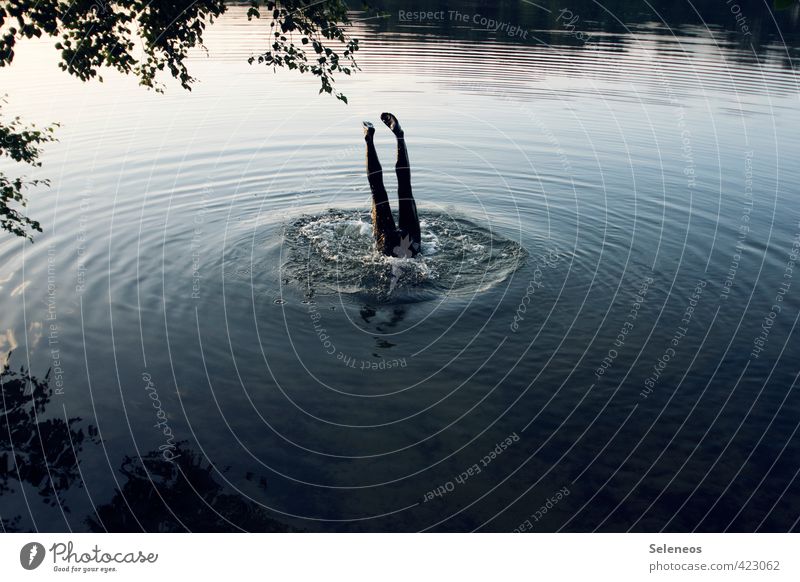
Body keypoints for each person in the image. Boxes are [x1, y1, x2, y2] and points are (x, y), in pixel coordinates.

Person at [363, 113, 421, 258]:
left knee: (401, 188)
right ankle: (378, 138)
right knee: (389, 190)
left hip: (391, 248)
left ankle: (386, 137)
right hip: (405, 247)